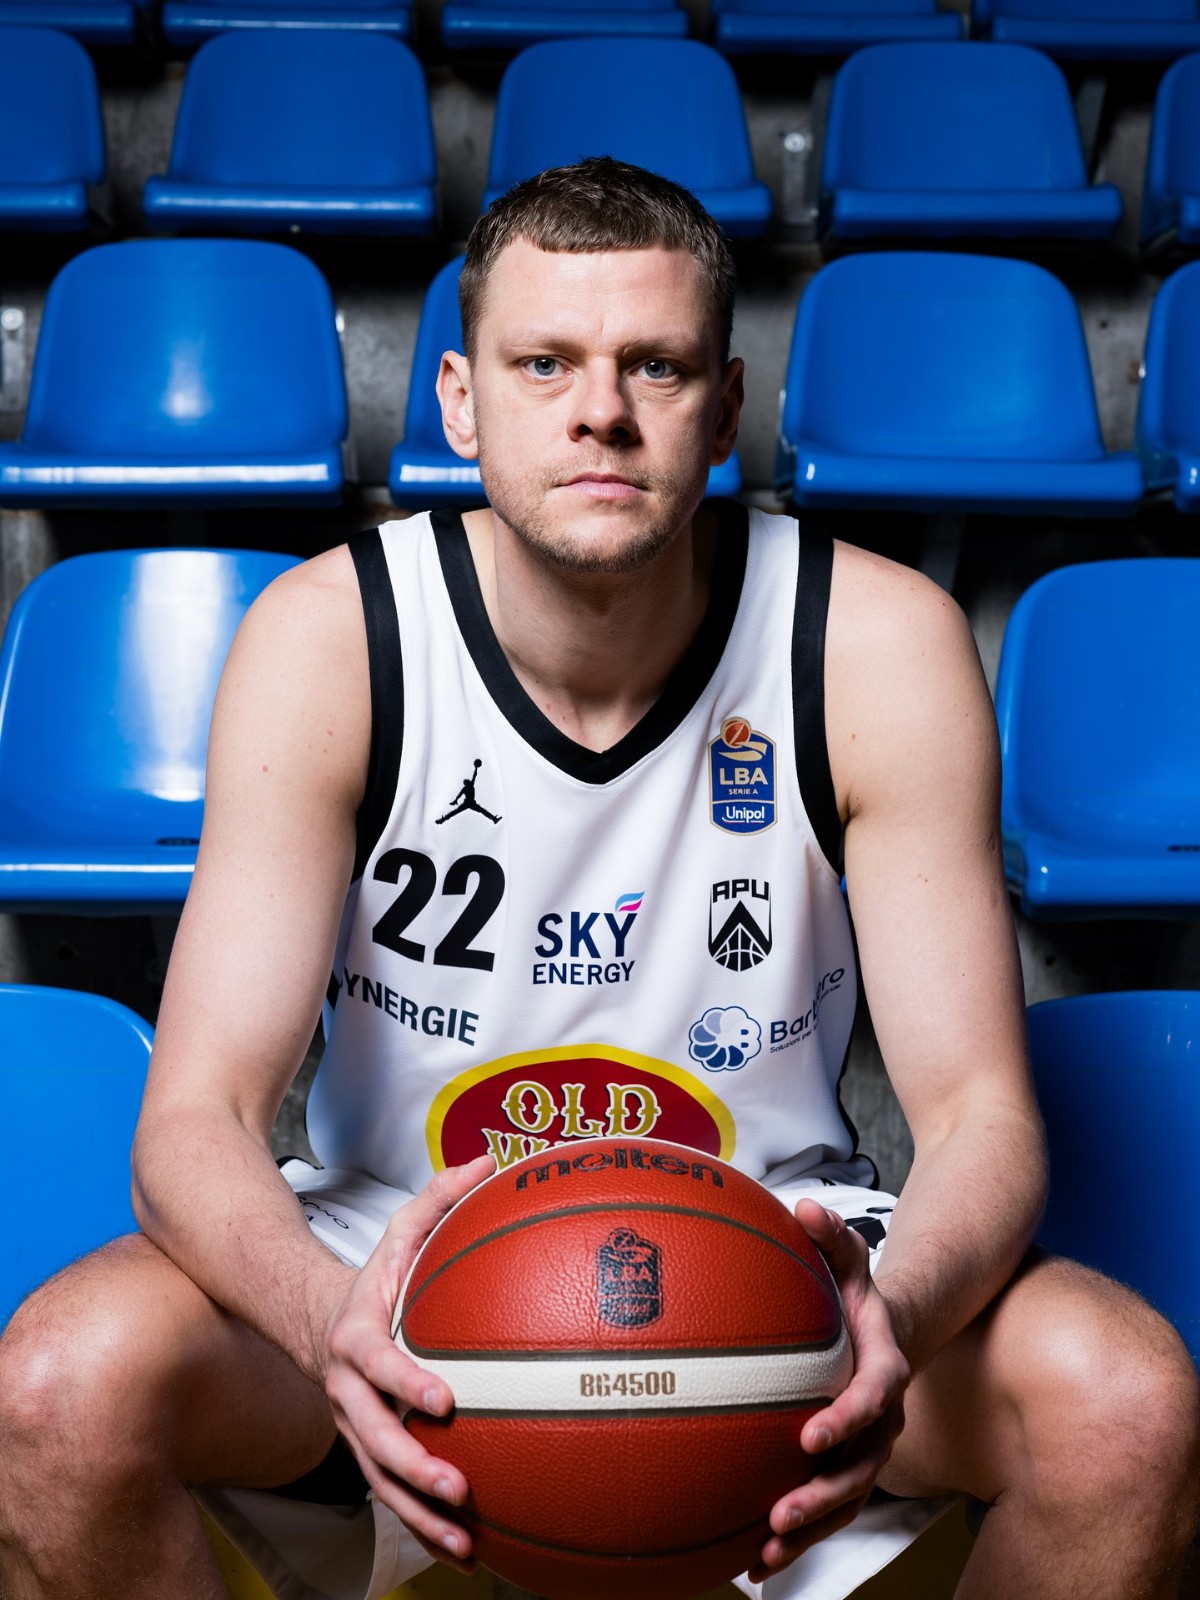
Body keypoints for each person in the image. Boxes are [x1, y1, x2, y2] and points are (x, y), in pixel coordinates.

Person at [0, 157, 1196, 1600]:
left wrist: (895, 1311)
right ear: (459, 400)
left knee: (1125, 1410)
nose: (601, 412)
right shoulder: (334, 639)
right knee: (57, 1389)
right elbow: (195, 1119)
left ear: (728, 408)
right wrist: (331, 1323)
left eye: (657, 366)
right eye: (544, 363)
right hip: (400, 1242)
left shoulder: (875, 643)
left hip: (774, 1245)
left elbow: (980, 1117)